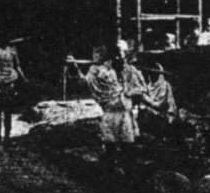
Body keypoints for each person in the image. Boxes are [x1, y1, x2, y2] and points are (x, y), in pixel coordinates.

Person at [72, 40, 147, 169]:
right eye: (117, 51)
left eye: (123, 51)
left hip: (125, 112)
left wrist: (130, 93)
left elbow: (141, 89)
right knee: (110, 146)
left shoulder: (131, 70)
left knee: (127, 147)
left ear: (127, 53)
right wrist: (75, 66)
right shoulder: (97, 70)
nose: (120, 54)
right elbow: (85, 83)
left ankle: (129, 172)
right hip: (109, 111)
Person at [0, 41, 28, 145]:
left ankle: (7, 137)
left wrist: (24, 79)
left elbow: (17, 66)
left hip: (10, 82)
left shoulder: (13, 50)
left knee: (8, 112)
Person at [139, 63, 178, 138]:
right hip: (149, 114)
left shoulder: (165, 86)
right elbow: (143, 102)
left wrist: (170, 115)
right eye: (151, 74)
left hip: (162, 114)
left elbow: (168, 103)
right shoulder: (147, 87)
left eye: (155, 74)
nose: (152, 76)